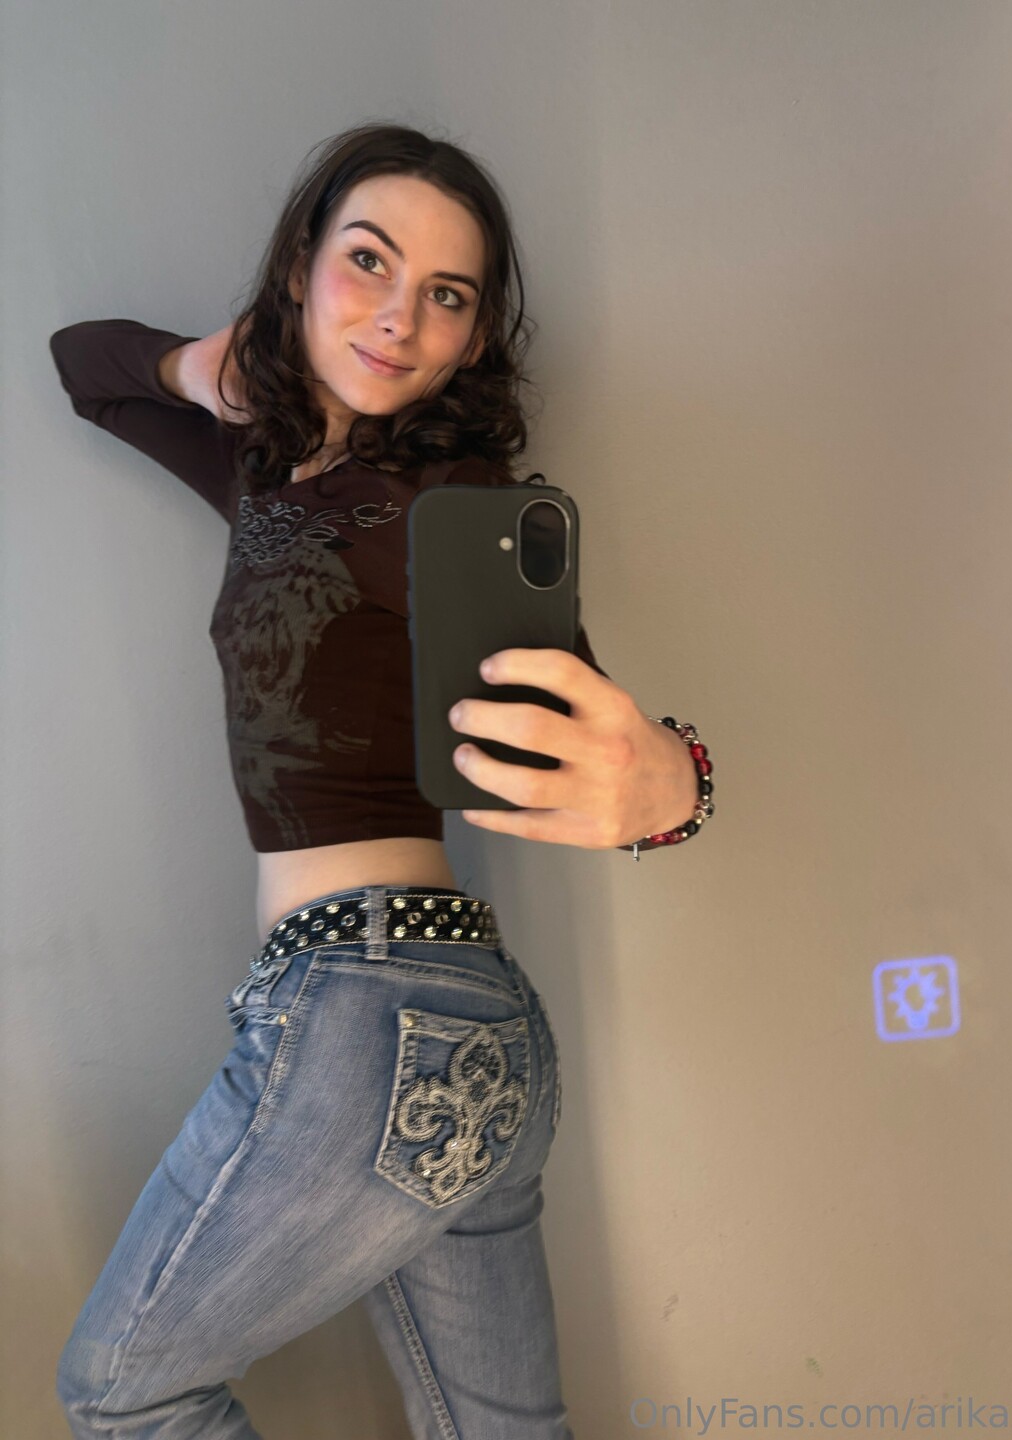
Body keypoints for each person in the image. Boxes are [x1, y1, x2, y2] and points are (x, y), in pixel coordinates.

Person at [48, 121, 710, 1440]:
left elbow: (578, 719)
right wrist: (208, 368)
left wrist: (675, 785)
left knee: (122, 1396)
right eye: (369, 262)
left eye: (447, 295)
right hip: (466, 1022)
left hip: (366, 1003)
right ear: (301, 264)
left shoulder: (438, 495)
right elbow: (88, 369)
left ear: (471, 337)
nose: (401, 318)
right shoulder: (263, 473)